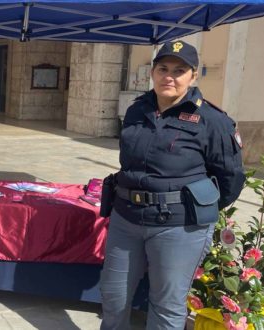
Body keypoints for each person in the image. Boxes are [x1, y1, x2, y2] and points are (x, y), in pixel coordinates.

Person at [100, 40, 245, 329]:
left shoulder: (212, 121)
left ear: (193, 76)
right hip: (126, 218)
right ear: (153, 72)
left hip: (178, 226)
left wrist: (189, 205)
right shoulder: (136, 110)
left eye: (179, 71)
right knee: (113, 297)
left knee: (166, 304)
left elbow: (231, 178)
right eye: (163, 68)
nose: (169, 76)